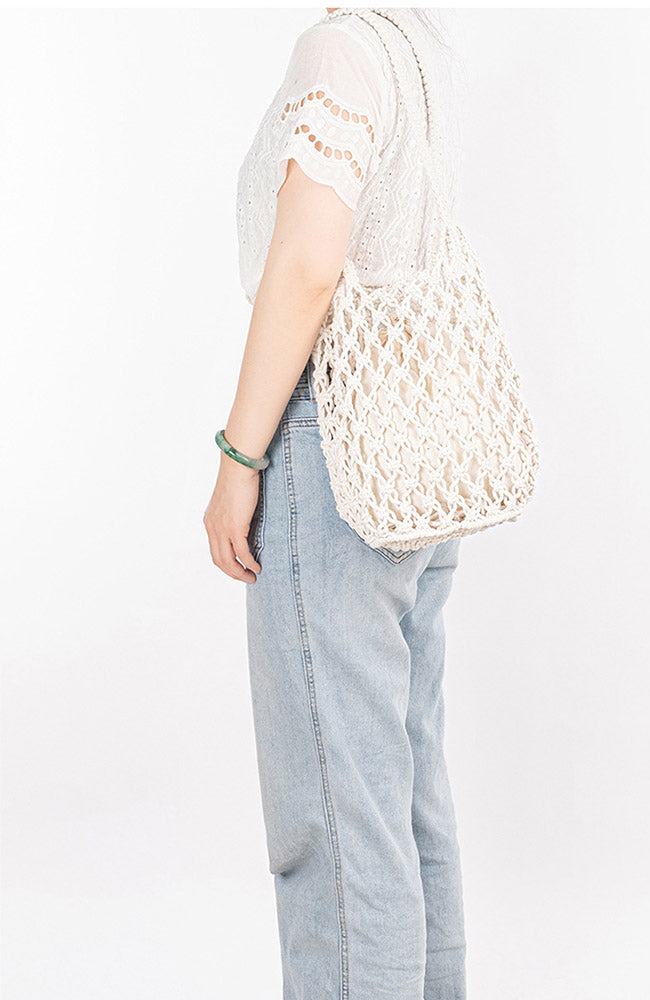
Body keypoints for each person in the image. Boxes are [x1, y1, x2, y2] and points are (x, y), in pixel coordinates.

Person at [204, 8, 467, 998]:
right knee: (402, 797)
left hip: (334, 451)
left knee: (338, 823)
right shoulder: (417, 47)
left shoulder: (339, 51)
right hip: (421, 446)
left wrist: (240, 452)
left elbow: (311, 264)